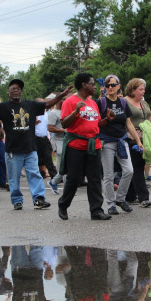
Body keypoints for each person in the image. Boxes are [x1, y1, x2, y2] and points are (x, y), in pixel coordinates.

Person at [0, 79, 70, 211]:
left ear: (21, 92)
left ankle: (38, 199)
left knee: (35, 174)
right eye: (13, 88)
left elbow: (47, 104)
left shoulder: (29, 105)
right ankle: (17, 200)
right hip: (13, 150)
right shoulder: (4, 107)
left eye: (18, 88)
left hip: (30, 149)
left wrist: (60, 95)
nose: (16, 89)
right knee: (14, 178)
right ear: (8, 93)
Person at [57, 72, 115, 221]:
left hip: (93, 145)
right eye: (91, 83)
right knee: (74, 179)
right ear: (84, 85)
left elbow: (95, 124)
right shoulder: (70, 101)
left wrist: (106, 120)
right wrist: (76, 111)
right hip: (76, 145)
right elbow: (64, 123)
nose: (94, 87)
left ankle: (96, 211)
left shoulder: (92, 103)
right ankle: (63, 205)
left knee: (95, 179)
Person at [98, 74, 143, 216]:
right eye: (107, 85)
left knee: (129, 170)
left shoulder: (123, 103)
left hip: (121, 141)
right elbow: (97, 123)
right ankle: (111, 204)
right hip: (106, 142)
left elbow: (128, 123)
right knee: (109, 175)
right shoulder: (101, 103)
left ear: (119, 86)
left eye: (113, 85)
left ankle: (120, 199)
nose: (110, 87)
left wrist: (138, 141)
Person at [124, 78, 151, 208]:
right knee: (137, 167)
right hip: (131, 138)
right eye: (140, 89)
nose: (143, 91)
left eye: (144, 89)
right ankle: (143, 198)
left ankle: (129, 196)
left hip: (146, 138)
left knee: (135, 167)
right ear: (132, 90)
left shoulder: (143, 103)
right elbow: (127, 122)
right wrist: (136, 139)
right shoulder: (124, 102)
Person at [34, 97, 57, 183]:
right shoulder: (34, 114)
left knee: (48, 157)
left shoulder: (47, 114)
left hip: (45, 139)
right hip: (36, 139)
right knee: (37, 158)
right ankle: (40, 173)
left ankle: (54, 176)